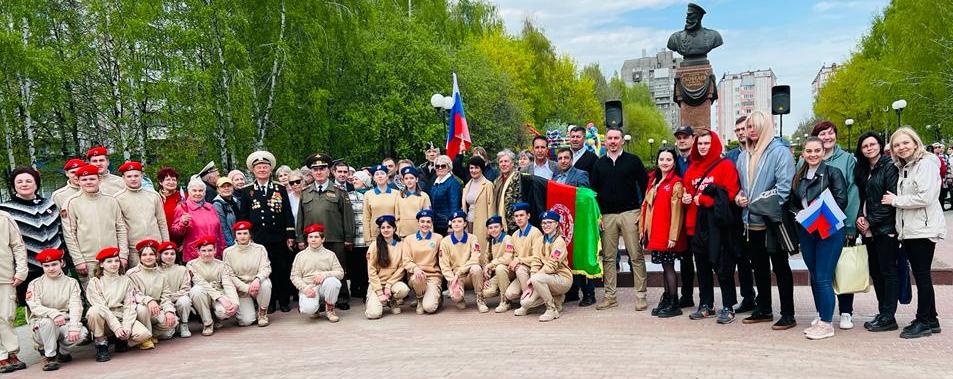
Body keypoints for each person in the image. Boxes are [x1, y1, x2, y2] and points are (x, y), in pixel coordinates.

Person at [735, 110, 797, 330]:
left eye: (754, 126)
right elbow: (743, 187)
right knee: (759, 268)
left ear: (765, 127)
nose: (750, 131)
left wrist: (754, 203)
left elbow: (783, 189)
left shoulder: (779, 152)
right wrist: (739, 197)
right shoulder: (743, 155)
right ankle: (764, 309)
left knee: (780, 268)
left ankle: (788, 314)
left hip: (773, 222)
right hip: (751, 223)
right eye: (747, 127)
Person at [885, 127, 946, 339]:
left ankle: (923, 321)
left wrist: (895, 201)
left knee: (922, 276)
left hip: (922, 229)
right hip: (911, 229)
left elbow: (925, 197)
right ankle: (931, 318)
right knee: (921, 275)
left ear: (915, 142)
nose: (901, 148)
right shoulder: (906, 167)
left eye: (905, 143)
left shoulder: (925, 164)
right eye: (897, 145)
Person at [787, 137, 848, 340]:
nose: (813, 154)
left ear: (823, 152)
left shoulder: (833, 172)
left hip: (828, 230)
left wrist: (817, 215)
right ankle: (822, 314)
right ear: (802, 153)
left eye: (817, 150)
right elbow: (791, 202)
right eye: (809, 151)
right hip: (807, 230)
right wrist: (800, 214)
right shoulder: (799, 176)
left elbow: (841, 200)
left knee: (823, 277)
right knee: (814, 275)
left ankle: (827, 324)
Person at [682, 131, 741, 324]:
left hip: (718, 225)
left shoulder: (725, 165)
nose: (703, 147)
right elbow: (687, 189)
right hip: (696, 226)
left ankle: (728, 306)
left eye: (707, 143)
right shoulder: (692, 167)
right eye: (700, 144)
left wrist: (704, 200)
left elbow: (731, 194)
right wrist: (687, 197)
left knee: (723, 267)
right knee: (703, 268)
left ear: (714, 144)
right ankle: (706, 304)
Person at [807, 120, 860, 329]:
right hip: (813, 226)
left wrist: (849, 224)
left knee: (843, 268)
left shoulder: (846, 160)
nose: (827, 137)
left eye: (831, 133)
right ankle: (822, 311)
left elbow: (852, 192)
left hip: (839, 224)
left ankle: (846, 311)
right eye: (822, 134)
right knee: (819, 272)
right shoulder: (807, 161)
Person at [591, 127, 649, 311]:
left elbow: (646, 186)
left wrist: (642, 211)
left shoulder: (633, 161)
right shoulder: (599, 164)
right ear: (605, 141)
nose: (613, 141)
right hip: (607, 216)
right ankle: (610, 297)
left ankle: (640, 296)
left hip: (630, 213)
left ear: (622, 140)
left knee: (636, 255)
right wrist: (598, 214)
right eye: (610, 138)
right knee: (608, 258)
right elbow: (594, 192)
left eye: (617, 138)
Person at [236, 150, 296, 313]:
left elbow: (287, 213)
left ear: (270, 170)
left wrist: (290, 234)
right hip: (258, 238)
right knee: (263, 271)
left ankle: (283, 300)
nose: (262, 170)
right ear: (253, 171)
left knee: (281, 268)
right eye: (259, 168)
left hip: (278, 236)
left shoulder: (280, 188)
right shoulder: (247, 191)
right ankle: (268, 302)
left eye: (265, 167)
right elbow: (243, 215)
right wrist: (245, 236)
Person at [853, 132, 900, 332]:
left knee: (888, 272)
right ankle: (883, 313)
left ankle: (890, 316)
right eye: (865, 146)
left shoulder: (889, 167)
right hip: (869, 230)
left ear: (880, 145)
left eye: (872, 144)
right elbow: (862, 198)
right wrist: (860, 218)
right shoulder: (864, 170)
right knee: (877, 272)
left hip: (885, 228)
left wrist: (870, 221)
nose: (869, 148)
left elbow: (889, 200)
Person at [297, 153, 355, 310]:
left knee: (338, 269)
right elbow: (300, 218)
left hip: (335, 237)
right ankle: (319, 300)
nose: (318, 172)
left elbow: (348, 217)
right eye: (315, 169)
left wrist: (349, 238)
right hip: (312, 240)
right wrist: (300, 239)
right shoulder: (306, 192)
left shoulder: (339, 192)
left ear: (329, 171)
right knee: (315, 270)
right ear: (311, 172)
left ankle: (341, 298)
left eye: (322, 168)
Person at [0, 167, 63, 306]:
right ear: (14, 185)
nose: (24, 184)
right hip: (28, 268)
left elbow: (60, 232)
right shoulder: (6, 210)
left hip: (55, 265)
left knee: (60, 302)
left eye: (29, 181)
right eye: (19, 181)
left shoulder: (50, 204)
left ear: (36, 183)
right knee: (35, 308)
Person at [640, 148, 687, 318]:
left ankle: (674, 301)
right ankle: (666, 298)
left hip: (667, 235)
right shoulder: (654, 181)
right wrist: (643, 231)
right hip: (656, 233)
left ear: (674, 162)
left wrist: (673, 236)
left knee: (669, 267)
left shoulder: (676, 183)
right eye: (662, 159)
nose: (664, 162)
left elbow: (677, 213)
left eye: (668, 159)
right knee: (663, 267)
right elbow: (646, 206)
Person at [63, 164, 128, 287]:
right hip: (88, 259)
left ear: (99, 179)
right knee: (94, 295)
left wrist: (123, 255)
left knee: (116, 292)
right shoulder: (72, 203)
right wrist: (78, 260)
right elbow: (70, 234)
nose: (88, 182)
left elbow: (121, 229)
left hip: (112, 258)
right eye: (84, 179)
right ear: (79, 181)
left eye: (92, 179)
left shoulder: (111, 201)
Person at [85, 247, 153, 362]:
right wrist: (116, 327)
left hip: (121, 317)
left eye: (116, 261)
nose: (114, 264)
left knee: (144, 335)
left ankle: (121, 339)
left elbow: (130, 306)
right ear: (101, 264)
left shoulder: (125, 280)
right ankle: (101, 344)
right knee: (94, 311)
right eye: (109, 261)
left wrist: (126, 326)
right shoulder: (95, 282)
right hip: (104, 320)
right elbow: (102, 307)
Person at [25, 249, 88, 371]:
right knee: (48, 322)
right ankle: (50, 356)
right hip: (42, 324)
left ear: (62, 263)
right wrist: (54, 314)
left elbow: (76, 305)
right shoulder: (35, 284)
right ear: (42, 266)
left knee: (82, 334)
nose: (51, 268)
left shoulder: (71, 283)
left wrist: (74, 327)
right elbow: (34, 306)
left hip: (65, 322)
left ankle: (62, 352)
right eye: (46, 266)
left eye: (54, 264)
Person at [553, 147, 594, 306]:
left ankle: (589, 294)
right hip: (562, 225)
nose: (563, 161)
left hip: (578, 222)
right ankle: (572, 291)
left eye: (566, 158)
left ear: (571, 159)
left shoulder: (581, 174)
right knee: (566, 256)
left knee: (580, 257)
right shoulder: (555, 177)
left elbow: (585, 196)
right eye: (560, 158)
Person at [724, 116, 756, 313]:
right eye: (737, 131)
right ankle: (748, 297)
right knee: (742, 259)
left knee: (759, 260)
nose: (740, 133)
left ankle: (763, 298)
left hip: (759, 214)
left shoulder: (762, 152)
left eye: (743, 129)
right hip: (737, 215)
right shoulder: (731, 156)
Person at [518, 210, 572, 322]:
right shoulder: (539, 241)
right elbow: (535, 262)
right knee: (525, 303)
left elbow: (552, 265)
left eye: (549, 222)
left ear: (556, 224)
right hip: (544, 277)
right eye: (543, 223)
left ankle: (551, 309)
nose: (546, 225)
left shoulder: (559, 241)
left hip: (562, 278)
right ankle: (557, 299)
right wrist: (532, 281)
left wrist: (534, 278)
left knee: (537, 279)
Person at [114, 161, 170, 268]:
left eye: (136, 175)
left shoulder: (153, 195)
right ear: (123, 178)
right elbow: (119, 227)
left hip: (156, 246)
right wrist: (123, 253)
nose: (133, 179)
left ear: (142, 176)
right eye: (129, 176)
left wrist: (166, 245)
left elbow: (162, 222)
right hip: (134, 249)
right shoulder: (117, 198)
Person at [126, 240, 178, 344]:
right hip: (139, 310)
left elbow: (166, 296)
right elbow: (133, 294)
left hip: (156, 310)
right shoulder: (132, 274)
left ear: (156, 256)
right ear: (140, 257)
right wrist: (149, 300)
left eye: (151, 254)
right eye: (144, 255)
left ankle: (150, 334)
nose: (148, 257)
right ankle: (146, 339)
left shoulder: (161, 274)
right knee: (142, 309)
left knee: (173, 322)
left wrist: (169, 311)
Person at [291, 224, 344, 322]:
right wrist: (305, 288)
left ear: (322, 239)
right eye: (310, 237)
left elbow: (340, 273)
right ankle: (315, 309)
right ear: (307, 240)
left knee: (333, 282)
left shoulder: (330, 255)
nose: (313, 240)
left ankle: (330, 309)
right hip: (309, 288)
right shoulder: (300, 256)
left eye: (316, 237)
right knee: (309, 309)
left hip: (324, 286)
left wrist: (325, 275)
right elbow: (294, 276)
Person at [223, 221, 272, 326]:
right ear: (235, 235)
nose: (242, 236)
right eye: (239, 233)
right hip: (241, 288)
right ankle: (247, 309)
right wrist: (246, 288)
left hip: (257, 284)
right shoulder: (228, 252)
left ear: (250, 234)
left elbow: (266, 268)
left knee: (266, 284)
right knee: (246, 321)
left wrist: (258, 279)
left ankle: (262, 312)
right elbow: (229, 275)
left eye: (245, 233)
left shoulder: (259, 249)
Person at [187, 237, 239, 336]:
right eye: (203, 251)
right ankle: (208, 323)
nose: (207, 254)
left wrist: (235, 303)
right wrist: (221, 298)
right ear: (198, 251)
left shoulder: (221, 265)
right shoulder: (191, 265)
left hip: (218, 294)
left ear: (215, 250)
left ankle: (216, 317)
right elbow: (201, 283)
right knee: (196, 290)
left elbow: (228, 284)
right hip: (203, 296)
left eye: (210, 250)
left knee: (223, 311)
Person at [439, 210, 487, 312]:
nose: (456, 224)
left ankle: (480, 298)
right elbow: (444, 265)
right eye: (454, 221)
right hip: (456, 277)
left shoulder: (472, 238)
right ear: (451, 224)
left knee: (476, 268)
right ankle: (460, 299)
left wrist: (460, 271)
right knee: (456, 297)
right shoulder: (445, 241)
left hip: (469, 273)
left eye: (459, 221)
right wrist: (452, 280)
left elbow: (475, 258)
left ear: (465, 223)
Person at [171, 177, 226, 263]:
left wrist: (222, 249)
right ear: (189, 192)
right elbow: (175, 232)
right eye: (194, 190)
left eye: (200, 191)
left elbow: (219, 231)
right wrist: (182, 223)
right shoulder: (182, 208)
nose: (198, 193)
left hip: (214, 254)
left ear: (204, 193)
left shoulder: (210, 207)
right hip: (194, 256)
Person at [365, 215, 410, 319]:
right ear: (380, 230)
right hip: (377, 283)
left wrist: (389, 284)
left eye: (389, 227)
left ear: (394, 228)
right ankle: (374, 299)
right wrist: (380, 292)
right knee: (373, 314)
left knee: (403, 290)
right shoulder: (374, 245)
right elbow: (371, 271)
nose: (386, 230)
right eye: (383, 227)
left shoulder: (401, 245)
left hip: (393, 282)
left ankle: (392, 301)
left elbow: (402, 268)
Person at [0, 205, 26, 373]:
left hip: (5, 276)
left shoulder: (4, 217)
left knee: (6, 316)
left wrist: (21, 270)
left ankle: (12, 352)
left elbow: (18, 245)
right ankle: (1, 356)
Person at [505, 202, 544, 314]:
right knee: (510, 294)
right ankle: (533, 297)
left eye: (522, 215)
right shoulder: (515, 234)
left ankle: (526, 304)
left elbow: (539, 258)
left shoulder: (535, 233)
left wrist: (519, 260)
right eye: (516, 216)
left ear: (528, 216)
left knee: (520, 268)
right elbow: (515, 255)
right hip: (522, 272)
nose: (519, 218)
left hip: (535, 270)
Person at [402, 209, 444, 314]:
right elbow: (406, 260)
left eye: (428, 221)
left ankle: (437, 297)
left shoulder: (438, 238)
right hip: (416, 277)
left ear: (432, 223)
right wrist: (415, 269)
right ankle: (419, 298)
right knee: (418, 277)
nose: (425, 224)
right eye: (422, 221)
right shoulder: (409, 239)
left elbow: (442, 259)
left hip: (433, 276)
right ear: (418, 223)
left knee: (429, 308)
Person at [157, 241, 193, 338]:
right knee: (167, 335)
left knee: (184, 300)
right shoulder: (156, 270)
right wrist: (165, 301)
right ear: (160, 255)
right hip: (162, 303)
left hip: (177, 300)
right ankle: (173, 326)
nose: (169, 256)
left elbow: (186, 289)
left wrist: (171, 297)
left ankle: (184, 324)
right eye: (166, 253)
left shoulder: (182, 269)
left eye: (172, 254)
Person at [480, 215, 515, 312]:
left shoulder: (507, 238)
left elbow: (508, 258)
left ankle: (505, 301)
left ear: (502, 227)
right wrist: (486, 278)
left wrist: (491, 264)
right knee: (485, 292)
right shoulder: (491, 242)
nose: (493, 230)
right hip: (497, 274)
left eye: (496, 227)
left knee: (500, 267)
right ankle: (501, 288)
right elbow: (486, 261)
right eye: (490, 228)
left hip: (509, 271)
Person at [347, 169, 371, 300]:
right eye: (353, 179)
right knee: (358, 264)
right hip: (356, 236)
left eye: (357, 178)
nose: (354, 180)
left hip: (370, 236)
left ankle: (368, 290)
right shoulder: (349, 195)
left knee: (369, 264)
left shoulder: (372, 194)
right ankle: (358, 289)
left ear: (365, 182)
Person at [462, 156, 495, 243]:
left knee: (481, 249)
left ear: (481, 169)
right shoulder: (467, 185)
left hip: (482, 224)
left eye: (476, 168)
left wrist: (491, 227)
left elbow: (491, 208)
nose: (473, 170)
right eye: (471, 168)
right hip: (468, 222)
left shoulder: (488, 185)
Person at [363, 164, 400, 243]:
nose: (380, 176)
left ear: (387, 176)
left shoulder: (396, 194)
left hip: (393, 234)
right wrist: (367, 238)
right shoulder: (368, 194)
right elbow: (366, 218)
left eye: (382, 173)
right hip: (375, 235)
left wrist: (398, 233)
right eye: (377, 174)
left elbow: (399, 216)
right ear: (373, 178)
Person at [429, 155, 463, 236]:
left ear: (449, 168)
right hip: (436, 223)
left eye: (443, 166)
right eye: (437, 166)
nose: (440, 168)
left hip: (446, 224)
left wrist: (451, 224)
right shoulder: (435, 183)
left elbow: (454, 205)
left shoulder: (453, 183)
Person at [396, 166, 431, 238]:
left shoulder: (424, 196)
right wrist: (398, 232)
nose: (409, 181)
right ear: (403, 181)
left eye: (411, 178)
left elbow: (428, 217)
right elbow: (397, 216)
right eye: (406, 178)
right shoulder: (399, 196)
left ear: (417, 179)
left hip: (420, 234)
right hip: (403, 235)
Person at [492, 149, 522, 233]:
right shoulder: (496, 181)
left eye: (506, 161)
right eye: (501, 162)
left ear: (512, 163)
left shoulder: (519, 177)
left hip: (515, 224)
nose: (503, 164)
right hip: (500, 223)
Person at [212, 177, 241, 247]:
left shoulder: (236, 201)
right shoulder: (217, 205)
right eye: (223, 187)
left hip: (241, 238)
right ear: (218, 189)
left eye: (229, 186)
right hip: (231, 242)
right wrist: (231, 244)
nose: (226, 188)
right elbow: (223, 227)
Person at [157, 167, 183, 233]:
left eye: (174, 180)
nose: (171, 182)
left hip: (181, 235)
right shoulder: (156, 197)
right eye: (168, 180)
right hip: (162, 235)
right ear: (161, 182)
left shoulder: (183, 196)